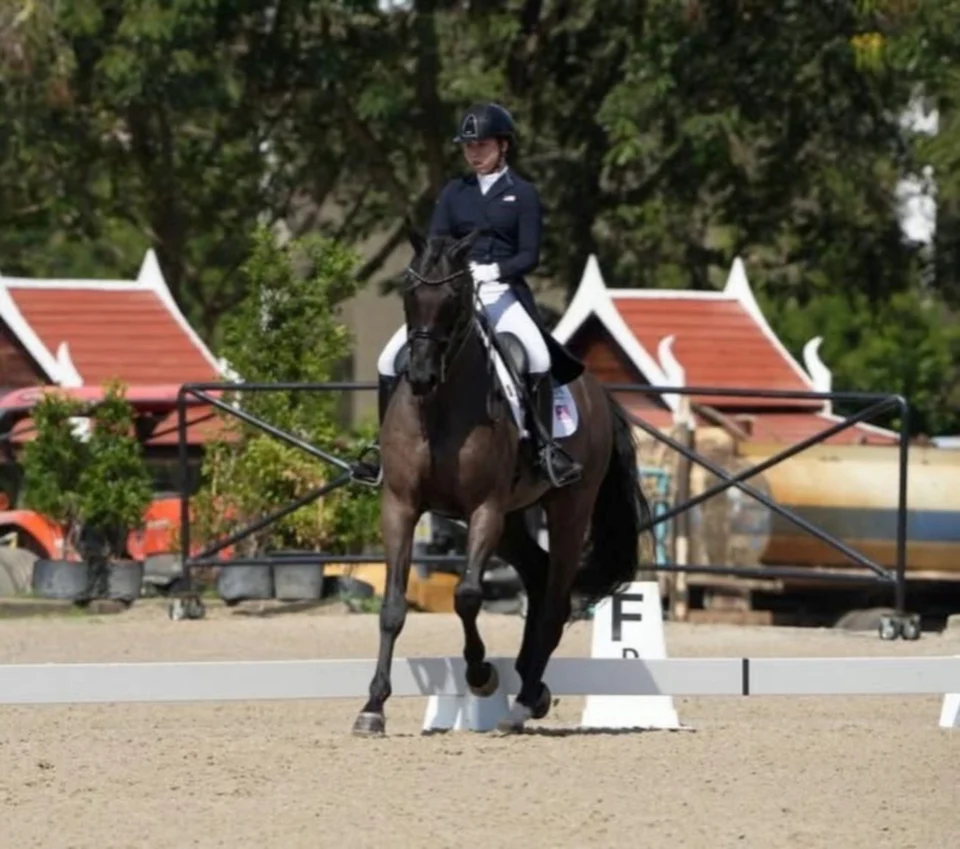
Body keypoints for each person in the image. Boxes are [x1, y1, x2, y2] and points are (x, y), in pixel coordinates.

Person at [351, 101, 585, 487]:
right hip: (452, 295)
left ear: (503, 145)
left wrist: (495, 269)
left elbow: (530, 254)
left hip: (501, 291)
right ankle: (381, 452)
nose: (474, 153)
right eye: (468, 146)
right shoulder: (454, 193)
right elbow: (435, 244)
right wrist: (442, 275)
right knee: (388, 359)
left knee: (539, 357)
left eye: (482, 145)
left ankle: (545, 451)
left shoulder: (522, 194)